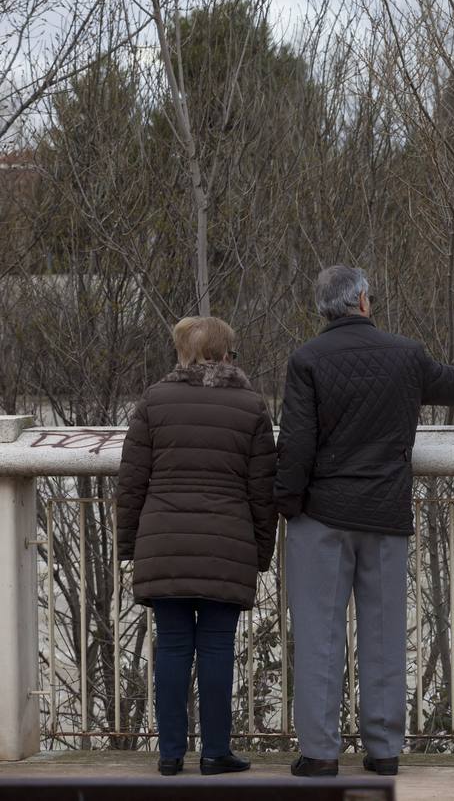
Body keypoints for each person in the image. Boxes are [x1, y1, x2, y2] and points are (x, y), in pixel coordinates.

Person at [276, 266, 454, 778]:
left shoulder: (306, 360)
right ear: (363, 302)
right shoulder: (406, 355)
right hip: (385, 512)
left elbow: (297, 444)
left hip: (322, 515)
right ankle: (383, 750)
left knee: (319, 636)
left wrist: (287, 503)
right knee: (382, 633)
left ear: (323, 310)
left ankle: (320, 752)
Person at [116, 316, 278, 777]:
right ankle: (215, 753)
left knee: (170, 648)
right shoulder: (250, 406)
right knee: (216, 647)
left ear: (182, 352)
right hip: (227, 544)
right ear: (227, 353)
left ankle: (169, 754)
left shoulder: (154, 400)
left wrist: (131, 546)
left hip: (163, 542)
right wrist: (259, 552)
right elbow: (262, 490)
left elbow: (132, 483)